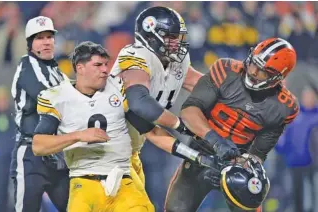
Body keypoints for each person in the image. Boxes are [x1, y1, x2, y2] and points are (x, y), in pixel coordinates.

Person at [32, 41, 214, 212]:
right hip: (84, 183)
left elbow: (153, 133)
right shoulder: (57, 98)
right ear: (80, 68)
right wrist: (78, 135)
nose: (105, 70)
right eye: (98, 65)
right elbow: (39, 145)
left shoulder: (118, 89)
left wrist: (196, 156)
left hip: (123, 180)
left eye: (106, 64)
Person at [165, 37, 299, 212]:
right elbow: (189, 111)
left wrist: (231, 168)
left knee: (251, 196)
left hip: (239, 161)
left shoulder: (283, 107)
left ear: (277, 77)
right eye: (253, 64)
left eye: (262, 72)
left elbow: (257, 154)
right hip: (201, 150)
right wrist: (216, 141)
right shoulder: (226, 71)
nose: (253, 72)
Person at [110, 6, 203, 195]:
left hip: (135, 144)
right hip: (102, 149)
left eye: (178, 37)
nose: (176, 43)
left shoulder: (172, 62)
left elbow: (205, 86)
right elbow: (139, 103)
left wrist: (238, 90)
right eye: (171, 37)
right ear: (151, 36)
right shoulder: (136, 55)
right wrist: (181, 127)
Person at [10, 16, 70, 212]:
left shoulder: (55, 69)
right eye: (39, 38)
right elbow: (48, 96)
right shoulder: (27, 65)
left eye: (49, 37)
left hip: (57, 153)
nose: (46, 42)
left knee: (76, 206)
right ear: (30, 44)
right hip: (31, 155)